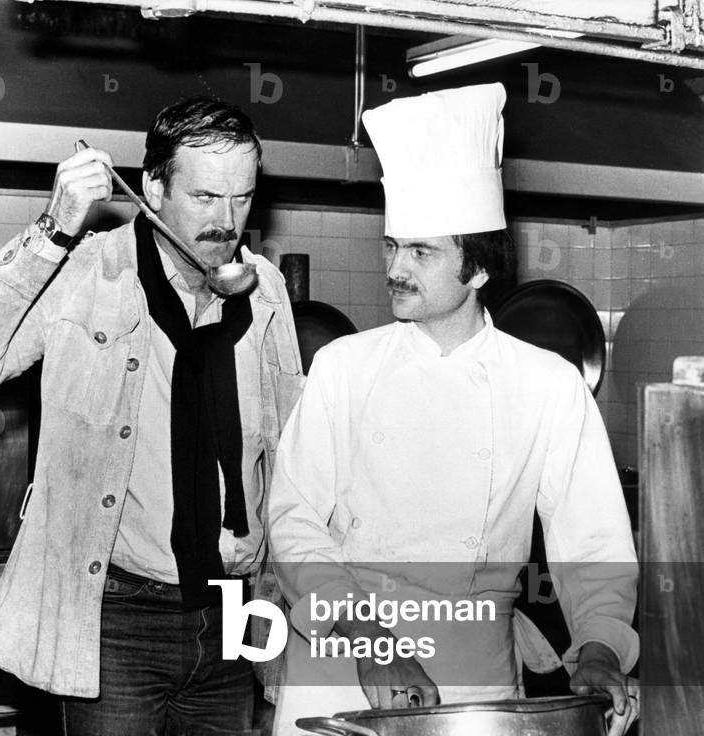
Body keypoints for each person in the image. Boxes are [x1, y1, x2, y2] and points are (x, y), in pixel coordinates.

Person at [0, 96, 303, 735]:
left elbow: (294, 446)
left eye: (242, 199)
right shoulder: (85, 270)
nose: (226, 221)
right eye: (206, 197)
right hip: (118, 616)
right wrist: (53, 228)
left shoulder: (263, 289)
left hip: (236, 611)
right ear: (152, 187)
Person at [266, 83, 639, 736]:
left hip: (472, 670)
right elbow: (294, 522)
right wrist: (369, 641)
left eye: (421, 251)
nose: (395, 269)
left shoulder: (545, 386)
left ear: (477, 268)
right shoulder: (343, 368)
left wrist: (601, 650)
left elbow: (594, 545)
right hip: (345, 651)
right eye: (391, 246)